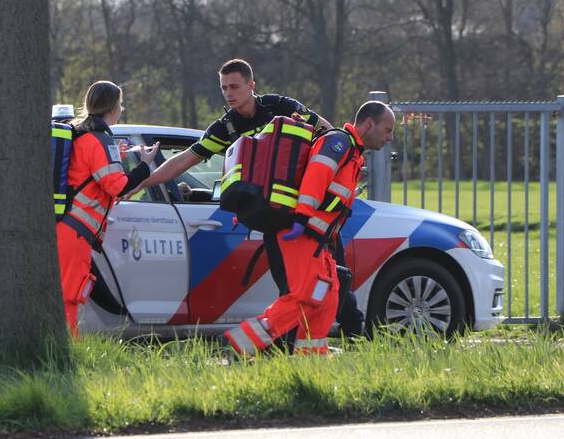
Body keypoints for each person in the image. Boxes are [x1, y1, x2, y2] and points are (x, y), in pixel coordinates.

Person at [129, 58, 331, 297]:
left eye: (234, 86)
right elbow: (183, 160)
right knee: (288, 287)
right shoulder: (225, 128)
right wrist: (138, 183)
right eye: (224, 87)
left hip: (311, 209)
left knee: (326, 277)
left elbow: (329, 134)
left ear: (251, 85)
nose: (228, 93)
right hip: (274, 215)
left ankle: (350, 326)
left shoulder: (281, 107)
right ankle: (290, 332)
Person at [224, 100, 395, 356]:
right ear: (369, 124)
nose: (389, 138)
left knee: (327, 297)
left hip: (318, 240)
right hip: (301, 233)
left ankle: (310, 360)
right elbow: (316, 176)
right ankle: (241, 344)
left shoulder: (352, 154)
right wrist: (303, 218)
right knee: (304, 296)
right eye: (387, 129)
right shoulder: (339, 143)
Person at [57, 81, 158, 336]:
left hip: (67, 227)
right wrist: (145, 165)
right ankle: (65, 353)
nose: (121, 109)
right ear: (113, 107)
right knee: (70, 296)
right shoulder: (100, 140)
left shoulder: (81, 134)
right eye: (120, 104)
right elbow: (117, 186)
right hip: (76, 230)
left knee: (67, 293)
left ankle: (62, 349)